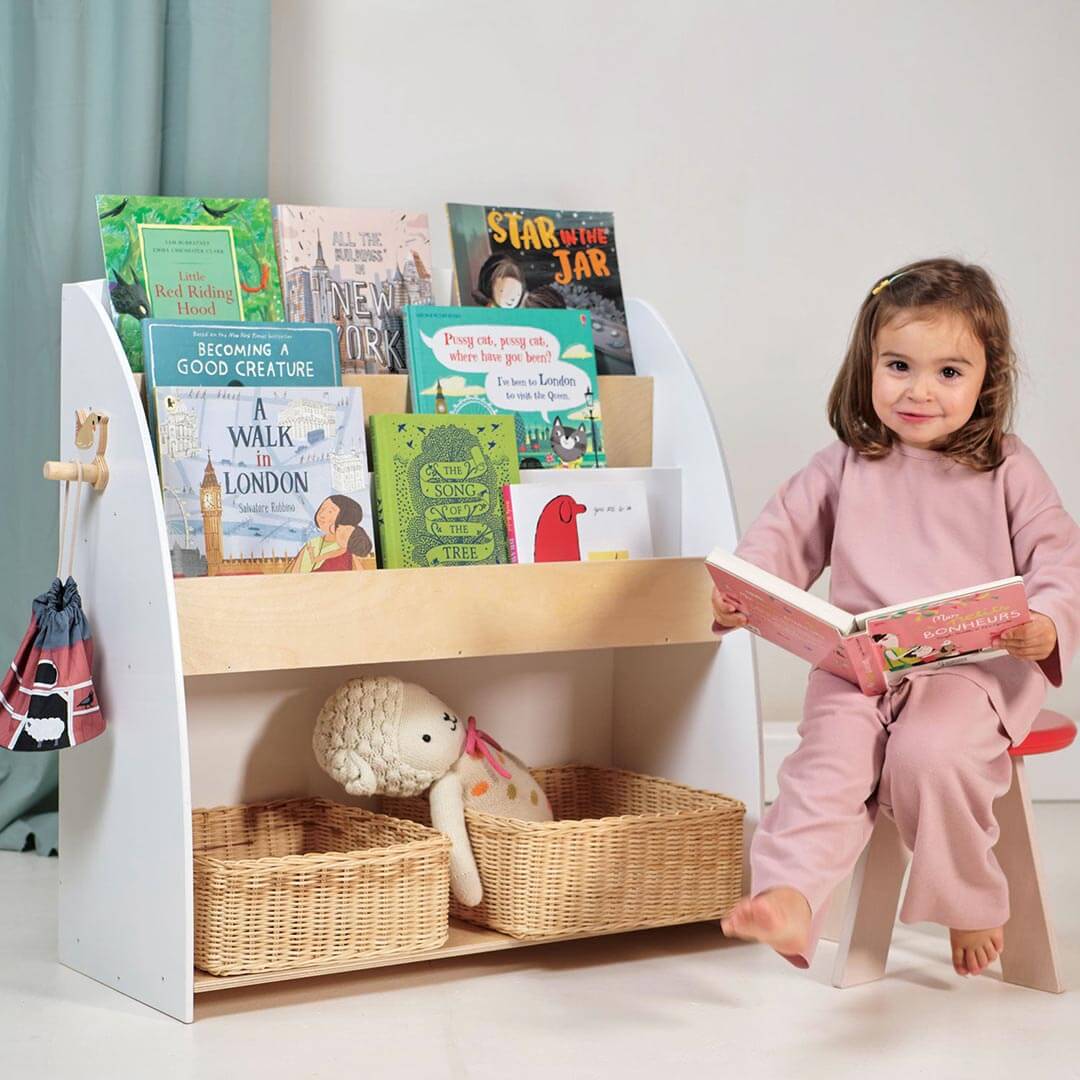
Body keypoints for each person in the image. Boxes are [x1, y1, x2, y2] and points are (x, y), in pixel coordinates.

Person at [713, 258, 1080, 977]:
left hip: (975, 672)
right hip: (862, 671)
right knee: (826, 765)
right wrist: (744, 594)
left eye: (948, 372)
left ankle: (969, 900)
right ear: (867, 366)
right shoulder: (846, 464)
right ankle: (789, 894)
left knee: (930, 756)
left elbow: (1058, 555)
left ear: (987, 379)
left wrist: (1047, 621)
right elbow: (779, 539)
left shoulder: (1007, 467)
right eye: (899, 365)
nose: (919, 390)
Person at [289, 495, 374, 573]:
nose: (322, 515)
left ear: (344, 517)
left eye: (330, 512)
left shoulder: (347, 547)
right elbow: (295, 570)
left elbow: (360, 574)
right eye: (322, 509)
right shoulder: (312, 543)